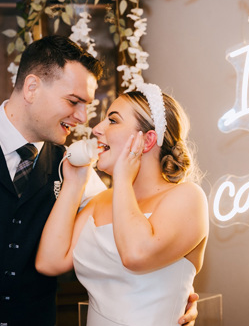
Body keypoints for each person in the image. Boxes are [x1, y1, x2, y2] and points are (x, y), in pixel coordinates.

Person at [0, 35, 198, 326]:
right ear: (31, 88)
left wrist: (176, 294)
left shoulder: (75, 168)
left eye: (88, 106)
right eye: (74, 101)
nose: (84, 119)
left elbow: (139, 238)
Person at [35, 84, 209, 325]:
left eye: (113, 121)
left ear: (147, 140)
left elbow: (135, 254)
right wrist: (73, 185)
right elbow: (49, 261)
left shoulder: (188, 197)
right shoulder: (99, 202)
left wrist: (123, 179)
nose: (96, 129)